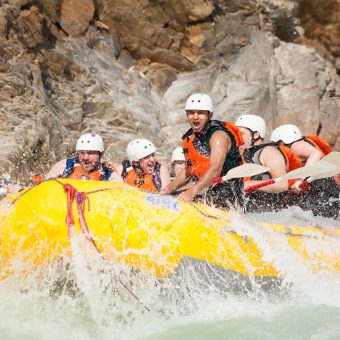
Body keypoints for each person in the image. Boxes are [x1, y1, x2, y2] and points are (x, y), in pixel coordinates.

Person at [161, 93, 243, 208]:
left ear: (209, 115)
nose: (195, 117)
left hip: (229, 198)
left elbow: (215, 170)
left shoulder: (218, 136)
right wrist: (168, 189)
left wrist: (192, 191)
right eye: (191, 113)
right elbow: (190, 170)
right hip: (207, 193)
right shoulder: (192, 138)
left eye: (200, 113)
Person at [271, 124, 339, 218]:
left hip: (323, 187)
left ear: (283, 141)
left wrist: (299, 181)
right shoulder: (301, 144)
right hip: (324, 188)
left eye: (276, 146)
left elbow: (316, 154)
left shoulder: (294, 145)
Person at [235, 115, 302, 193]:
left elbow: (282, 185)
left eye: (241, 133)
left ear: (256, 134)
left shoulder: (269, 152)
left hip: (271, 204)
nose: (237, 137)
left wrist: (248, 184)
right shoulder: (243, 153)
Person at [45, 132, 121, 181]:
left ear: (100, 154)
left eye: (90, 153)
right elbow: (45, 185)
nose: (85, 157)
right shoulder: (65, 166)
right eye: (82, 153)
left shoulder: (108, 172)